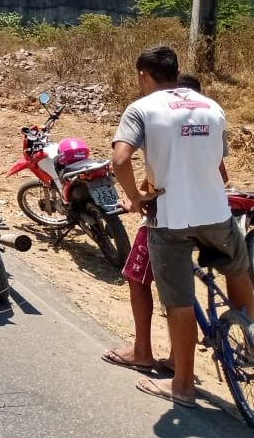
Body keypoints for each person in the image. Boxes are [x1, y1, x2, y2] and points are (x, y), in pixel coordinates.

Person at [112, 46, 254, 408]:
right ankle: (247, 333)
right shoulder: (212, 107)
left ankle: (183, 386)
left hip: (171, 221)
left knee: (179, 304)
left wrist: (135, 198)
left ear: (144, 75)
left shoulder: (142, 108)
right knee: (237, 270)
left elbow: (120, 159)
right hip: (217, 214)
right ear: (175, 72)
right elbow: (217, 161)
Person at [102, 74, 203, 378]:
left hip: (164, 220)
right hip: (204, 215)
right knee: (185, 287)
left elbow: (128, 163)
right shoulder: (204, 126)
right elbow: (219, 176)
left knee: (138, 277)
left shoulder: (162, 122)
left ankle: (143, 351)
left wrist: (137, 198)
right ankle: (175, 356)